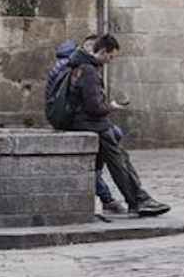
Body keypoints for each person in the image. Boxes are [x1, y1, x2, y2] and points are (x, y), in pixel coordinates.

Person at [64, 34, 171, 217]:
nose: (110, 61)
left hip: (94, 124)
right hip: (93, 125)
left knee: (122, 159)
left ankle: (140, 198)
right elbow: (93, 107)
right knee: (119, 163)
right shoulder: (88, 70)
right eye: (110, 56)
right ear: (103, 51)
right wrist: (111, 106)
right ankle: (138, 201)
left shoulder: (82, 66)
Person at [47, 35, 127, 213]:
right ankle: (107, 199)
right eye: (91, 48)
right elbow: (91, 106)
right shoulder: (80, 68)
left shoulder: (66, 66)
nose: (92, 53)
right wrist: (110, 107)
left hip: (68, 119)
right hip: (75, 121)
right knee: (104, 148)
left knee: (109, 140)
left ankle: (108, 199)